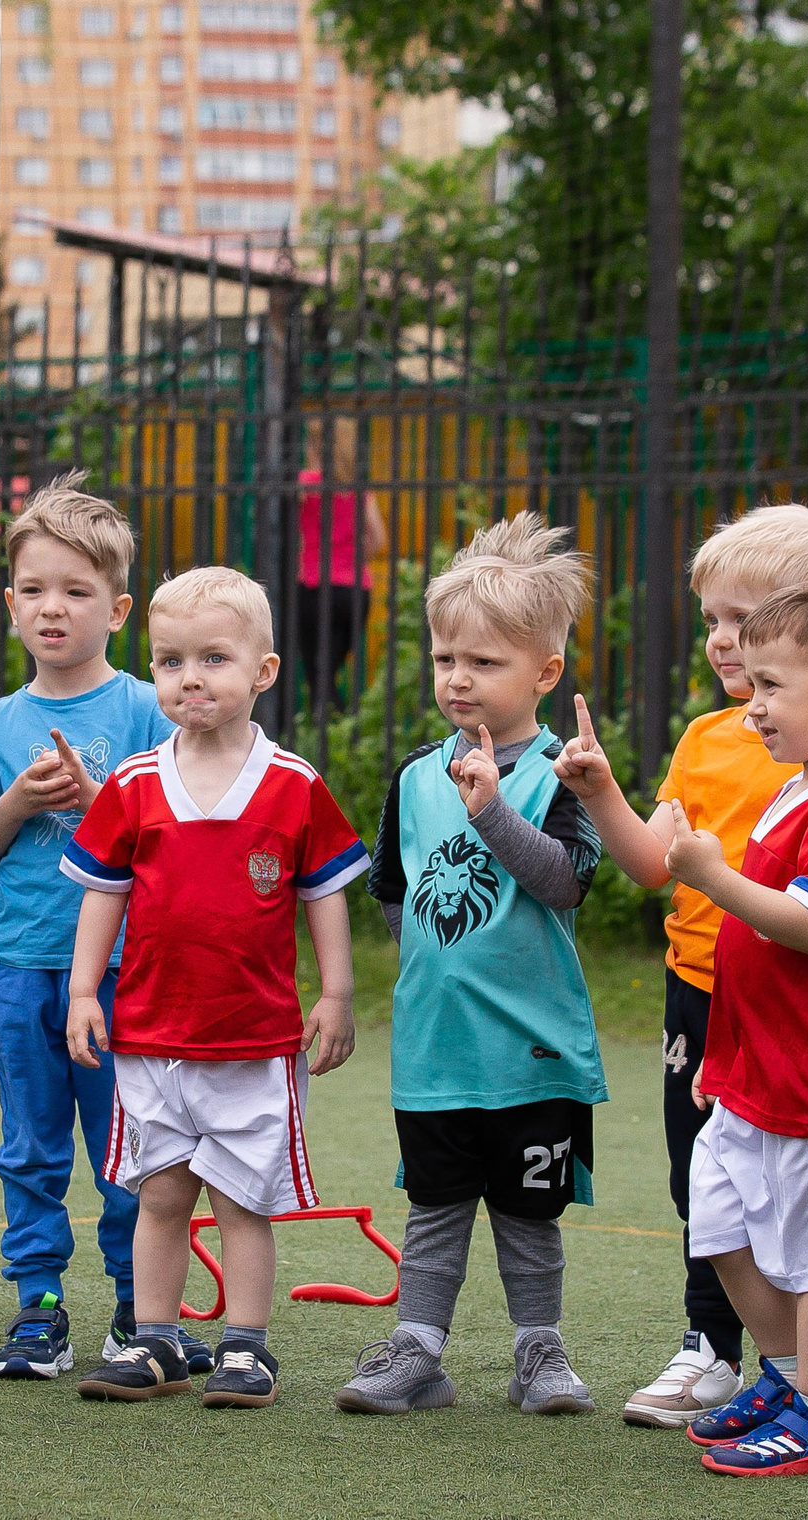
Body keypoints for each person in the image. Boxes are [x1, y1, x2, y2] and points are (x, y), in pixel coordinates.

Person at [553, 503, 808, 1427]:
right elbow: (652, 860)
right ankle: (717, 1348)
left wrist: (716, 872)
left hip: (790, 1012)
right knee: (702, 1184)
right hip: (702, 995)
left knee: (793, 1210)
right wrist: (602, 792)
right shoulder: (708, 738)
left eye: (743, 620)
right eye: (711, 619)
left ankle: (789, 1381)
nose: (721, 640)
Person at [62, 566, 369, 1409]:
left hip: (253, 1041)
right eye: (168, 661)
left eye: (213, 658)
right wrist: (86, 990)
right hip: (152, 1038)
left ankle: (246, 1347)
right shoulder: (132, 783)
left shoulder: (294, 784)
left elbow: (325, 895)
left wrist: (335, 994)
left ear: (263, 672)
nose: (189, 677)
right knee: (160, 1193)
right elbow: (103, 893)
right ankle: (155, 1339)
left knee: (241, 1200)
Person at [332, 516, 607, 1418]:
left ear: (545, 673)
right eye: (447, 657)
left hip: (532, 1053)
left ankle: (540, 1352)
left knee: (529, 1215)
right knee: (437, 1208)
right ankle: (418, 1351)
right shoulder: (417, 774)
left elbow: (566, 883)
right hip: (436, 1052)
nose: (458, 677)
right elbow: (392, 888)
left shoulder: (568, 773)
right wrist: (433, 975)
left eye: (484, 662)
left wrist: (493, 814)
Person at [649, 574, 808, 1478]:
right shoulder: (805, 785)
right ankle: (793, 1376)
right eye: (750, 684)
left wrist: (713, 877)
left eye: (771, 686)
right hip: (754, 1067)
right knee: (716, 1224)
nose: (751, 705)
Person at [0, 475, 177, 1380]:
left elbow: (172, 846)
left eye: (78, 592)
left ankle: (138, 1304)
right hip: (17, 967)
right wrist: (13, 799)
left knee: (130, 1146)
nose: (55, 609)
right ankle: (38, 1307)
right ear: (10, 605)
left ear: (118, 608)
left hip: (123, 971)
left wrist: (101, 807)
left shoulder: (146, 712)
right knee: (30, 1146)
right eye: (37, 591)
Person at [291, 415, 390, 706]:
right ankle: (334, 725)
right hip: (354, 590)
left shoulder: (305, 484)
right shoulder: (357, 488)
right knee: (329, 671)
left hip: (313, 586)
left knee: (316, 674)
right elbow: (378, 538)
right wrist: (350, 557)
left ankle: (324, 726)